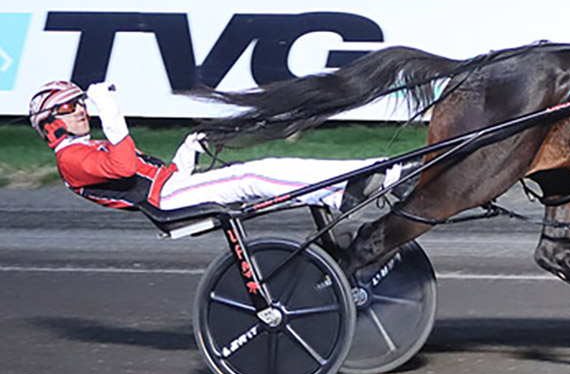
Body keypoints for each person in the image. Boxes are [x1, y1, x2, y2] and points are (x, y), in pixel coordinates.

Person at [28, 80, 405, 212]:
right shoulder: (72, 161)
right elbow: (126, 168)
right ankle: (357, 182)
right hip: (169, 201)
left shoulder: (85, 150)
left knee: (270, 168)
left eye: (79, 103)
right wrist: (111, 114)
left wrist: (186, 150)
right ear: (50, 124)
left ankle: (356, 181)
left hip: (173, 189)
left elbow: (158, 175)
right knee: (257, 174)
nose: (79, 110)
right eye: (68, 107)